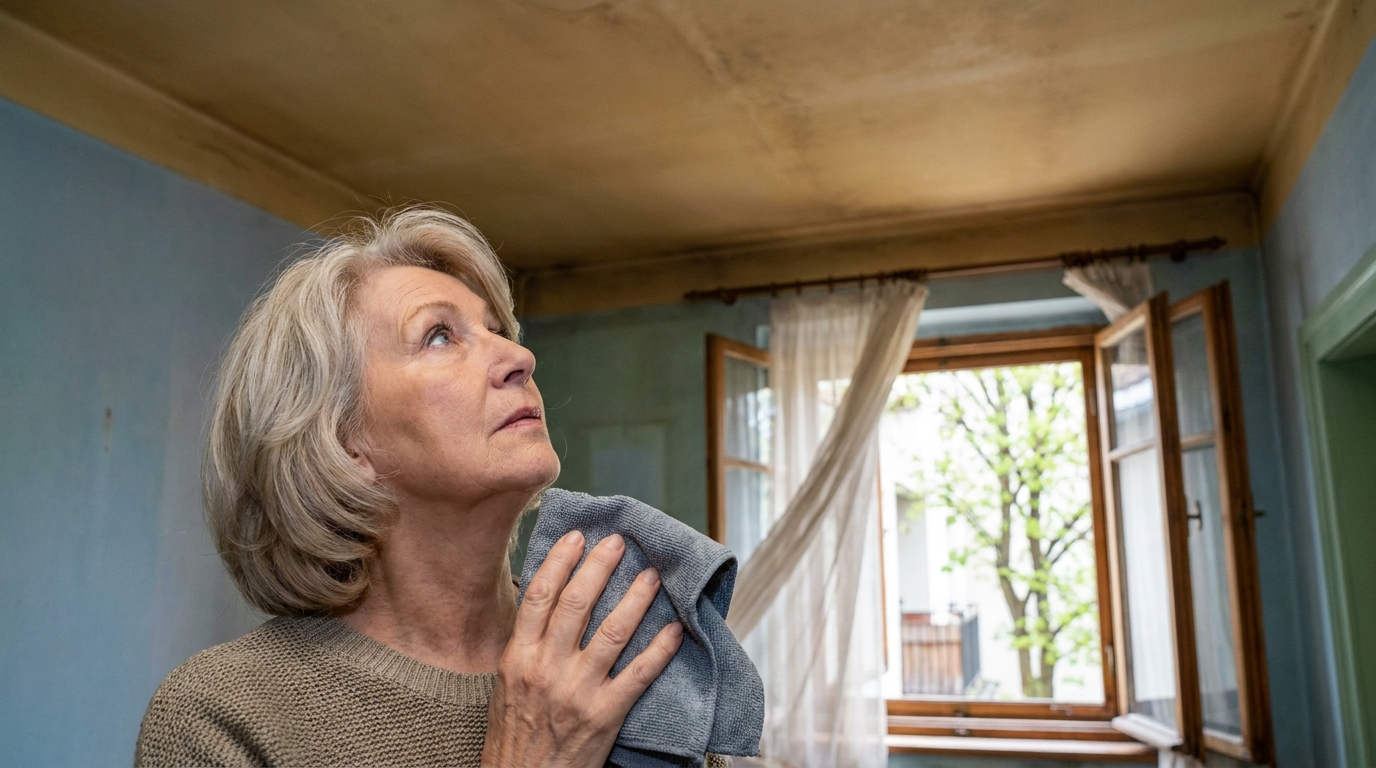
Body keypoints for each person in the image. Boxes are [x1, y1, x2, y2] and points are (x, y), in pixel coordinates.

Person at [134, 207, 706, 767]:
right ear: (343, 441)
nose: (520, 357)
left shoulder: (620, 654)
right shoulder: (219, 714)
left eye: (496, 330)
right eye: (439, 336)